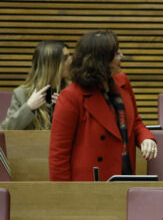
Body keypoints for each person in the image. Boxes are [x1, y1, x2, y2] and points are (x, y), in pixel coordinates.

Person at [49, 30, 157, 181]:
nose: (122, 56)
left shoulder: (123, 82)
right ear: (101, 61)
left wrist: (146, 138)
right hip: (90, 186)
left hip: (125, 175)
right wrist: (64, 197)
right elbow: (58, 154)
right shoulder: (71, 96)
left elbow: (135, 122)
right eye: (117, 53)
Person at [0, 41, 72, 131]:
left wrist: (68, 110)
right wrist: (29, 107)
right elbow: (4, 131)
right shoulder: (21, 94)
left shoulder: (73, 91)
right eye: (65, 58)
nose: (71, 60)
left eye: (70, 55)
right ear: (51, 65)